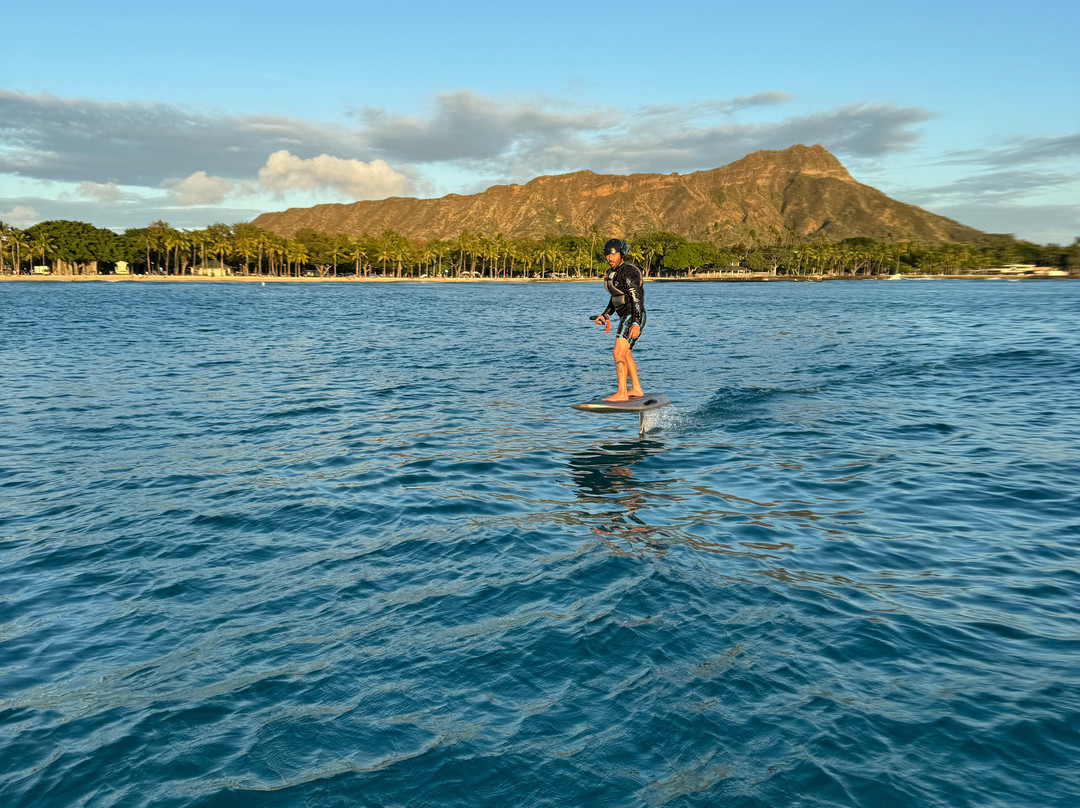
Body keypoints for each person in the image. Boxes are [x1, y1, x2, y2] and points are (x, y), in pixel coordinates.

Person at [592, 238, 647, 401]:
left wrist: (636, 323)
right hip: (627, 316)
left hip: (633, 316)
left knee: (617, 352)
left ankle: (622, 393)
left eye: (613, 254)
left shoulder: (628, 272)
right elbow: (616, 298)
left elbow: (637, 298)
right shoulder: (613, 274)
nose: (609, 258)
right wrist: (605, 314)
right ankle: (636, 389)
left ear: (621, 254)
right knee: (626, 354)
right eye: (607, 255)